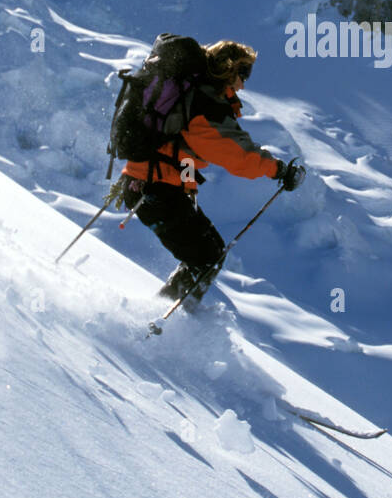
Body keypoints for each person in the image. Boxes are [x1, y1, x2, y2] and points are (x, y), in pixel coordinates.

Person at [120, 40, 303, 305]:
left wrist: (187, 185)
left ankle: (170, 311)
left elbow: (179, 147)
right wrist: (278, 170)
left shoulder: (191, 96)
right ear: (229, 70)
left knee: (208, 254)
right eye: (244, 74)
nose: (243, 84)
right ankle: (164, 320)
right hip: (154, 189)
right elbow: (239, 156)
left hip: (146, 184)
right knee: (207, 257)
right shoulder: (205, 105)